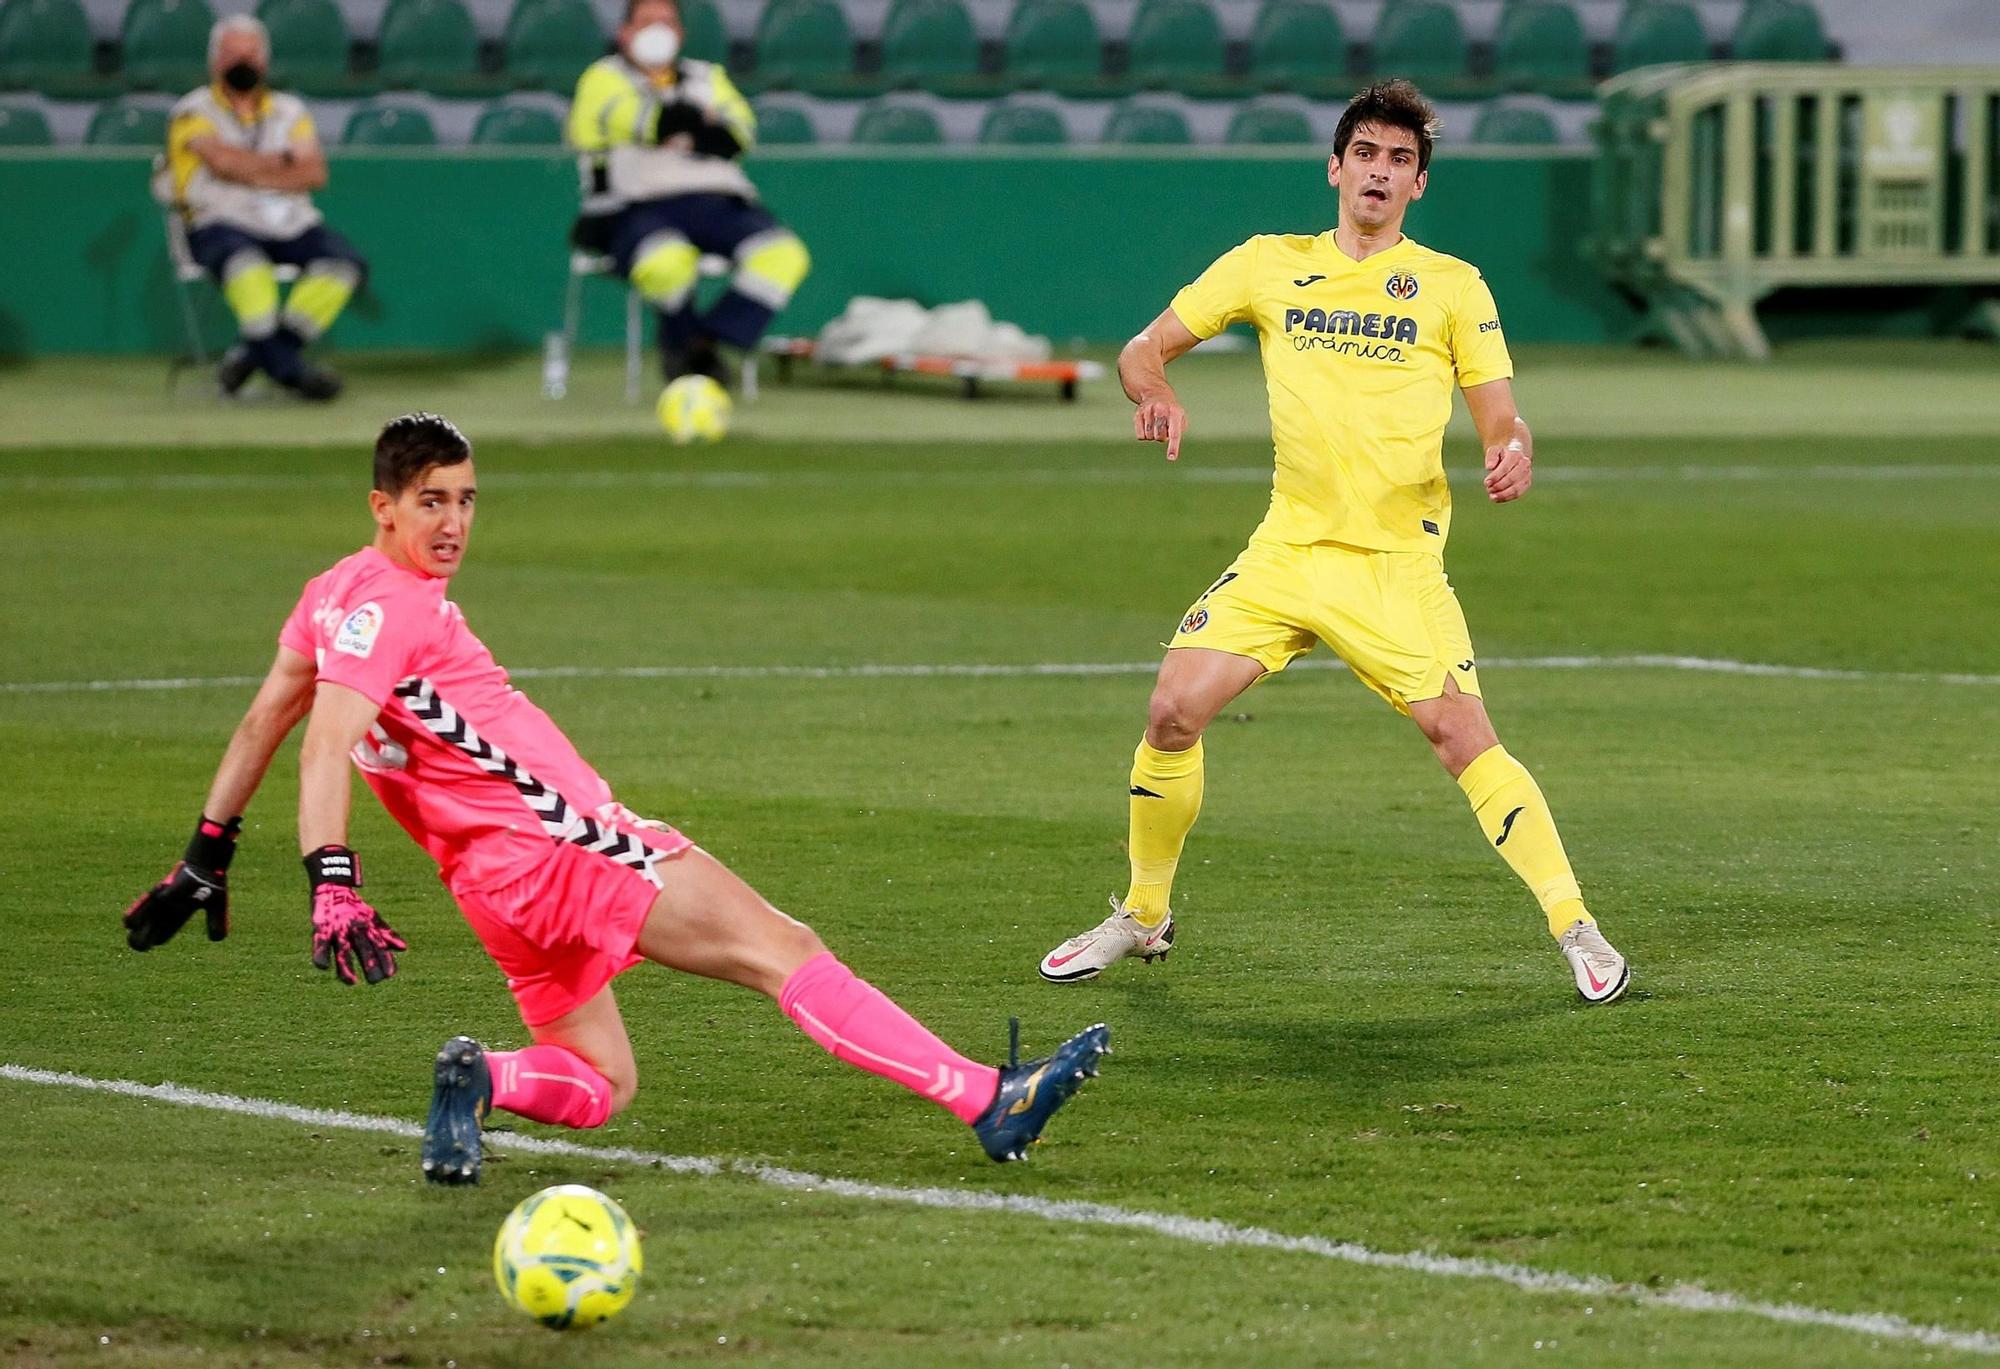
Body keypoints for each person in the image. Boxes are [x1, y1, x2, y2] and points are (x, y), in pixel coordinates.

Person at [122, 412, 1107, 1181]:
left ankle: (485, 1076)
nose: (454, 522)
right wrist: (330, 879)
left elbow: (266, 722)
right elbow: (321, 744)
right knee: (785, 952)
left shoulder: (330, 592)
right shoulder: (396, 606)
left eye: (465, 499)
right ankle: (986, 1097)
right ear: (380, 504)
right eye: (430, 502)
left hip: (493, 886)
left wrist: (205, 857)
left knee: (600, 1082)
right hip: (566, 848)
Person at [1037, 81, 1631, 1005]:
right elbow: (1138, 348)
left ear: (1419, 186)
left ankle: (1575, 924)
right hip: (1288, 551)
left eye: (1401, 160)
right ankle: (1145, 915)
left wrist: (1510, 454)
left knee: (1461, 736)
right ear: (1336, 168)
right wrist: (1153, 390)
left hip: (1394, 561)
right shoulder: (1269, 264)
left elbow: (1504, 417)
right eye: (1367, 155)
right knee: (1171, 710)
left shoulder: (1452, 286)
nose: (1380, 173)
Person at [568, 0, 810, 385]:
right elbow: (646, 122)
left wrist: (693, 128)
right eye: (647, 22)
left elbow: (738, 135)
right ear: (625, 32)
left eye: (667, 22)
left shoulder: (707, 76)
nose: (658, 31)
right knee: (666, 260)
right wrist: (695, 124)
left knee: (783, 255)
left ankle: (702, 343)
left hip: (716, 200)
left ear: (680, 33)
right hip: (633, 206)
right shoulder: (601, 78)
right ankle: (688, 347)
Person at [164, 16, 364, 400]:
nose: (243, 61)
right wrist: (283, 161)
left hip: (288, 221)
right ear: (214, 61)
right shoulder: (192, 111)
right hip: (217, 221)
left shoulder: (289, 110)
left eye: (251, 53)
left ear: (265, 61)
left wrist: (250, 170)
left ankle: (251, 356)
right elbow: (222, 163)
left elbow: (315, 172)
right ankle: (291, 373)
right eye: (232, 53)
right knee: (247, 265)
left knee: (344, 265)